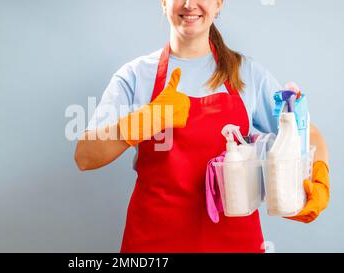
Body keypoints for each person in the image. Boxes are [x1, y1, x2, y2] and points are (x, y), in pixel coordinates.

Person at [74, 0, 330, 253]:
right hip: (153, 242)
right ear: (164, 3)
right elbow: (85, 156)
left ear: (218, 4)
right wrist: (147, 119)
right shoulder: (135, 76)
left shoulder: (247, 75)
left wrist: (319, 176)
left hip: (235, 245)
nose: (189, 4)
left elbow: (308, 134)